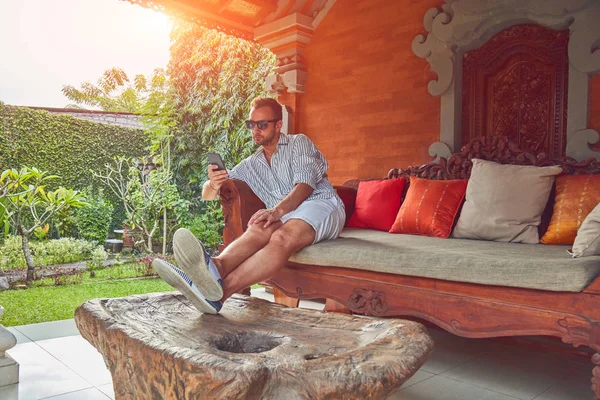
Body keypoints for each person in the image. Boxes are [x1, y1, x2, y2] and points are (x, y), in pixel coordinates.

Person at [152, 97, 345, 314]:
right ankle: (215, 268)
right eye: (251, 124)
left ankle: (219, 294)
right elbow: (207, 196)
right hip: (285, 214)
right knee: (257, 229)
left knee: (281, 236)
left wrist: (277, 210)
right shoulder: (252, 164)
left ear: (278, 125)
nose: (255, 130)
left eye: (262, 125)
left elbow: (305, 186)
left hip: (320, 204)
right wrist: (212, 183)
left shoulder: (298, 143)